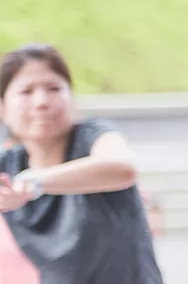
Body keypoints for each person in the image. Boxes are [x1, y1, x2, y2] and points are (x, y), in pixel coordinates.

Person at [0, 44, 161, 284]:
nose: (41, 101)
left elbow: (121, 167)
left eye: (54, 88)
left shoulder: (93, 137)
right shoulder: (7, 164)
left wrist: (34, 183)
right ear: (3, 108)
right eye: (26, 91)